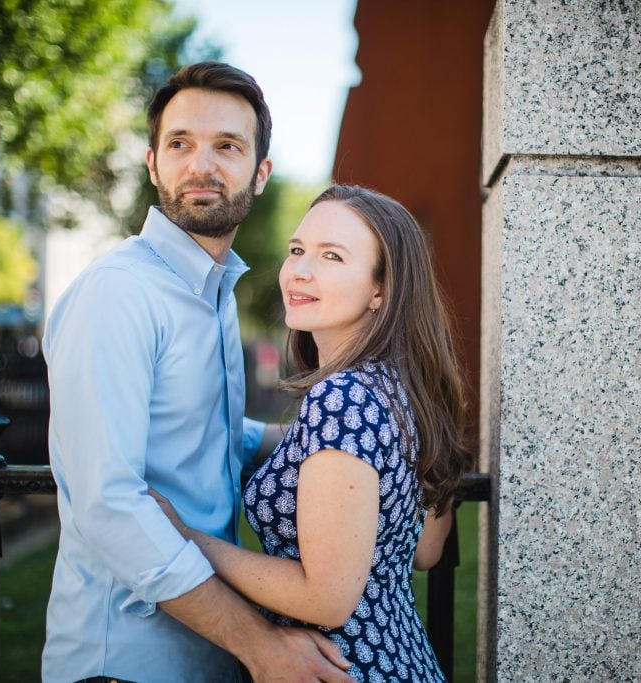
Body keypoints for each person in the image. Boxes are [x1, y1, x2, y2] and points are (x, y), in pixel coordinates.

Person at [42, 62, 350, 683]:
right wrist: (260, 645)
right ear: (153, 162)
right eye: (179, 144)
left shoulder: (211, 290)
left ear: (260, 173)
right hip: (127, 663)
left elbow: (201, 428)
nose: (200, 166)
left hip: (207, 658)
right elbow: (110, 505)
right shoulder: (119, 293)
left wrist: (353, 448)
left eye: (227, 147)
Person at [151, 184, 476, 681]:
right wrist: (220, 428)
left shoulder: (341, 398)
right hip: (403, 663)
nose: (300, 269)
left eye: (332, 256)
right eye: (298, 250)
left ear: (380, 290)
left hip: (342, 669)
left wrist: (189, 538)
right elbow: (426, 551)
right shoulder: (397, 392)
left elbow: (324, 601)